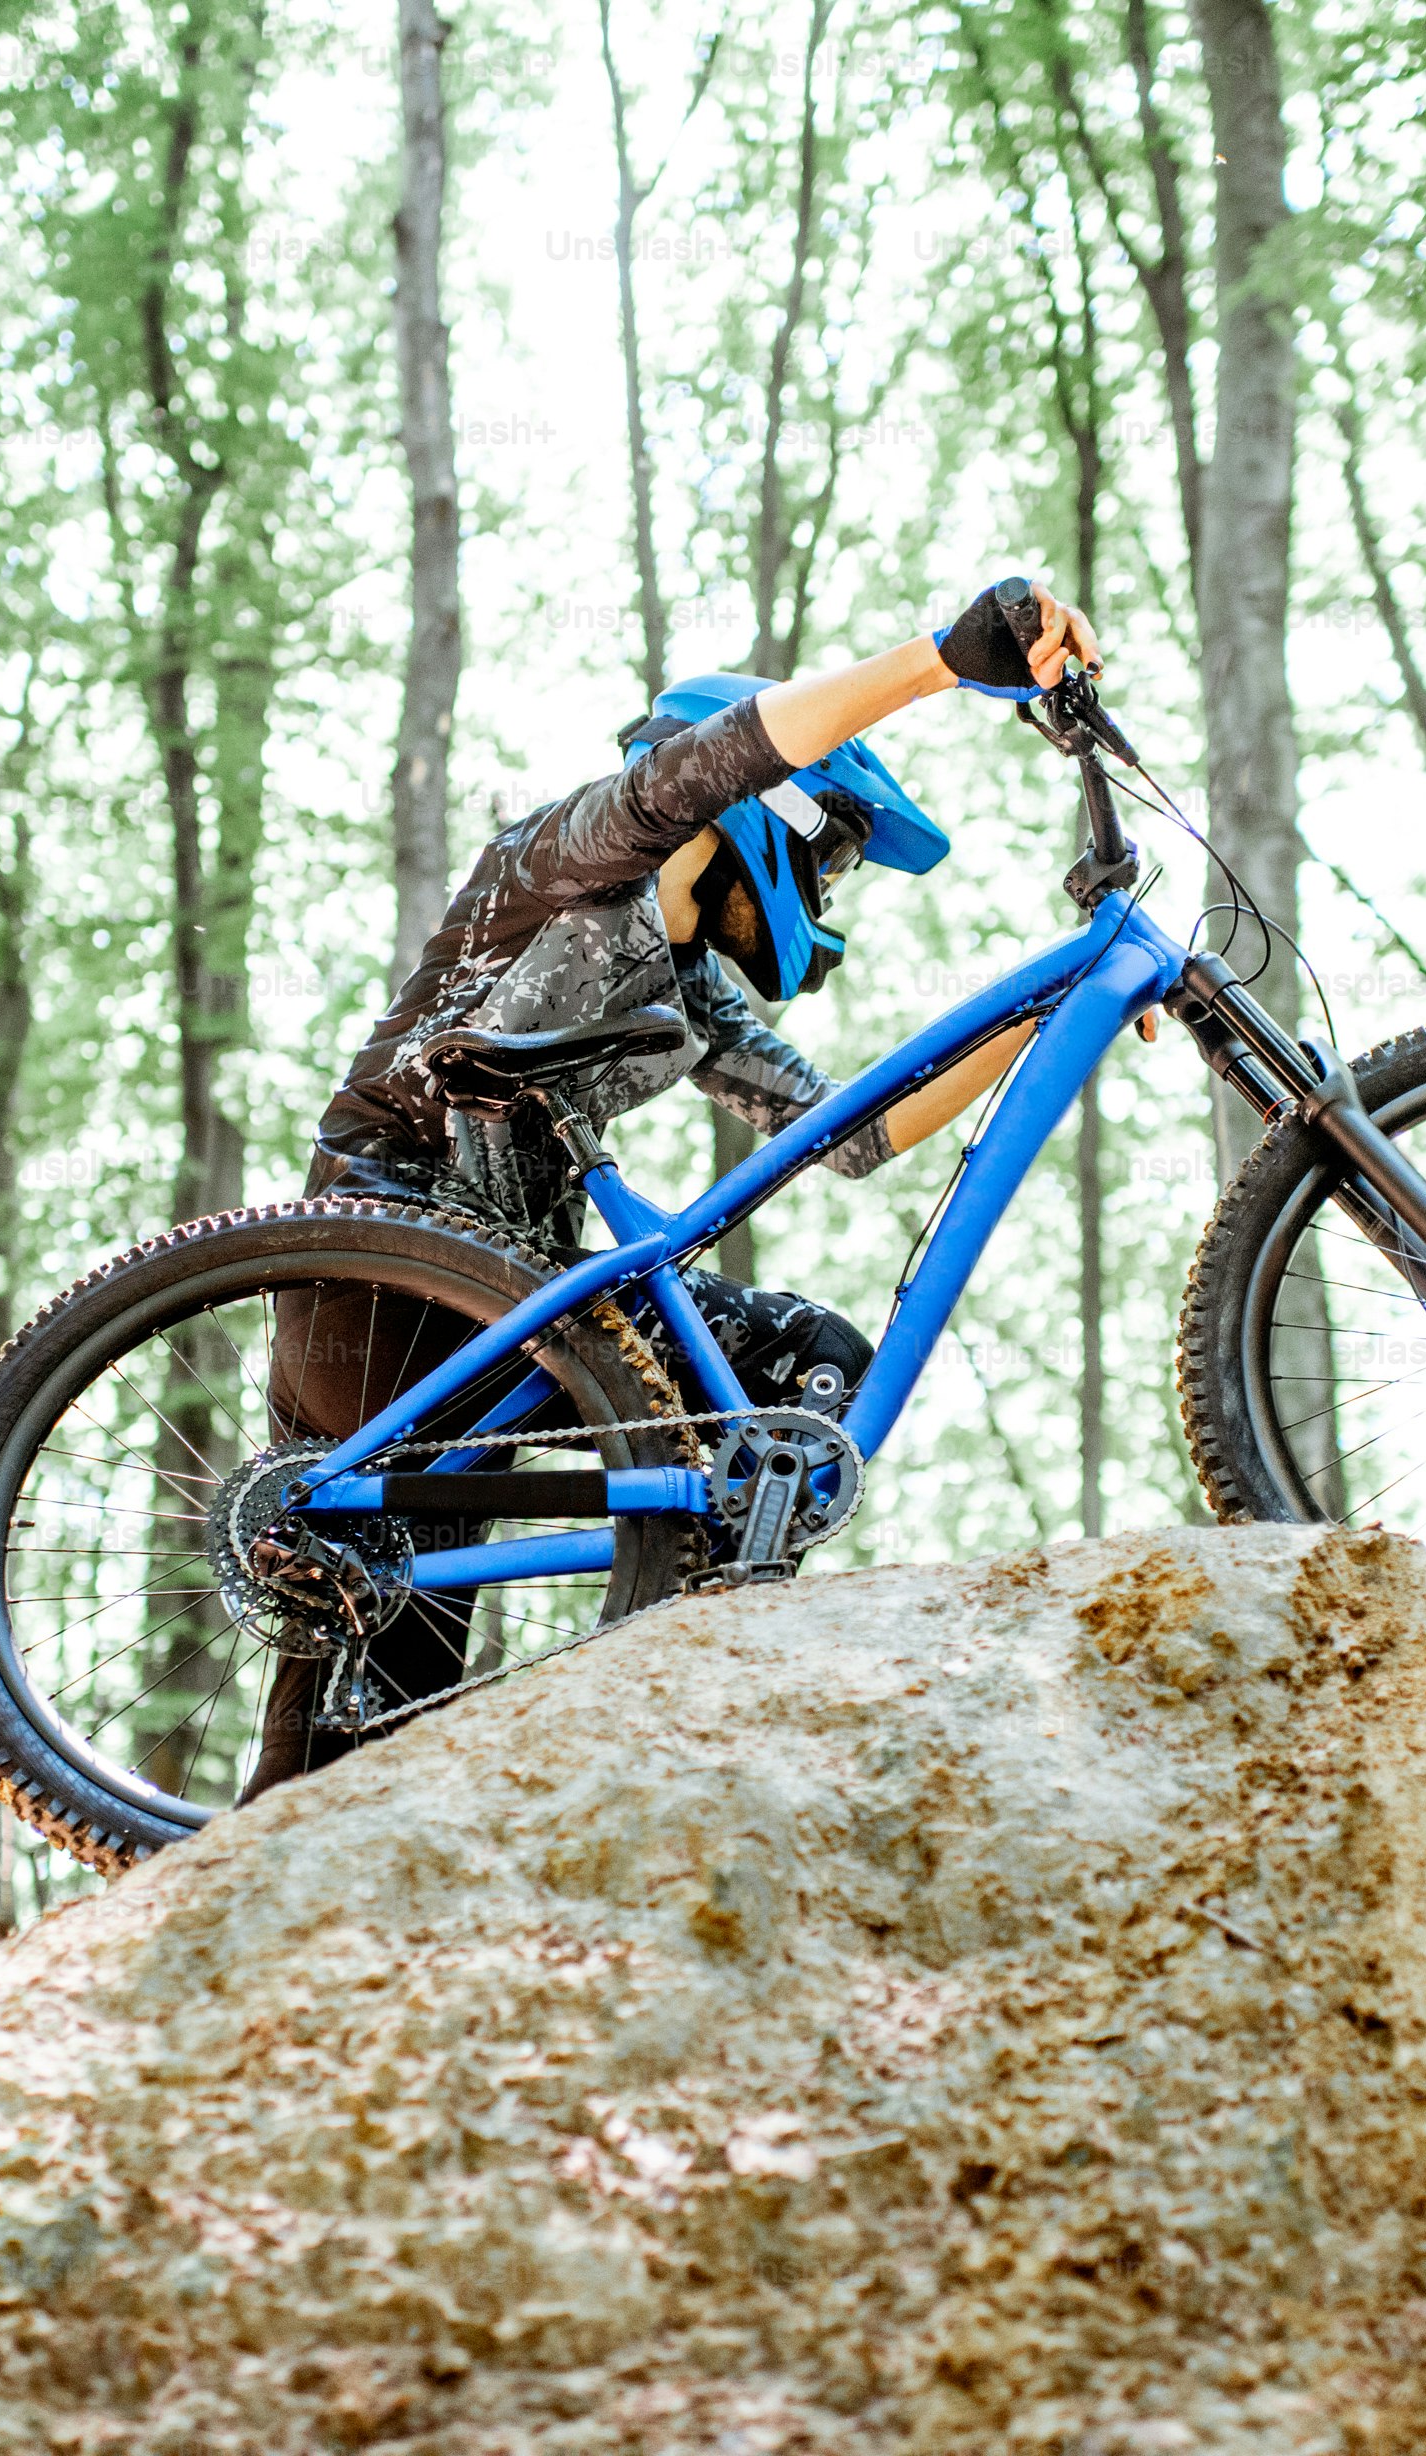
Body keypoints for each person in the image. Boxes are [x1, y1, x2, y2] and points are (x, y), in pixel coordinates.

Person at [243, 577, 1107, 1797]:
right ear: (776, 814)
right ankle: (690, 1698)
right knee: (793, 1361)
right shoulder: (577, 845)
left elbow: (849, 1134)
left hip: (475, 1341)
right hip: (389, 1281)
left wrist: (1045, 1020)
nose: (829, 897)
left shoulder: (687, 990)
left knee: (360, 1725)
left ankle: (229, 1886)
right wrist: (939, 661)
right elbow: (717, 760)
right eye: (836, 857)